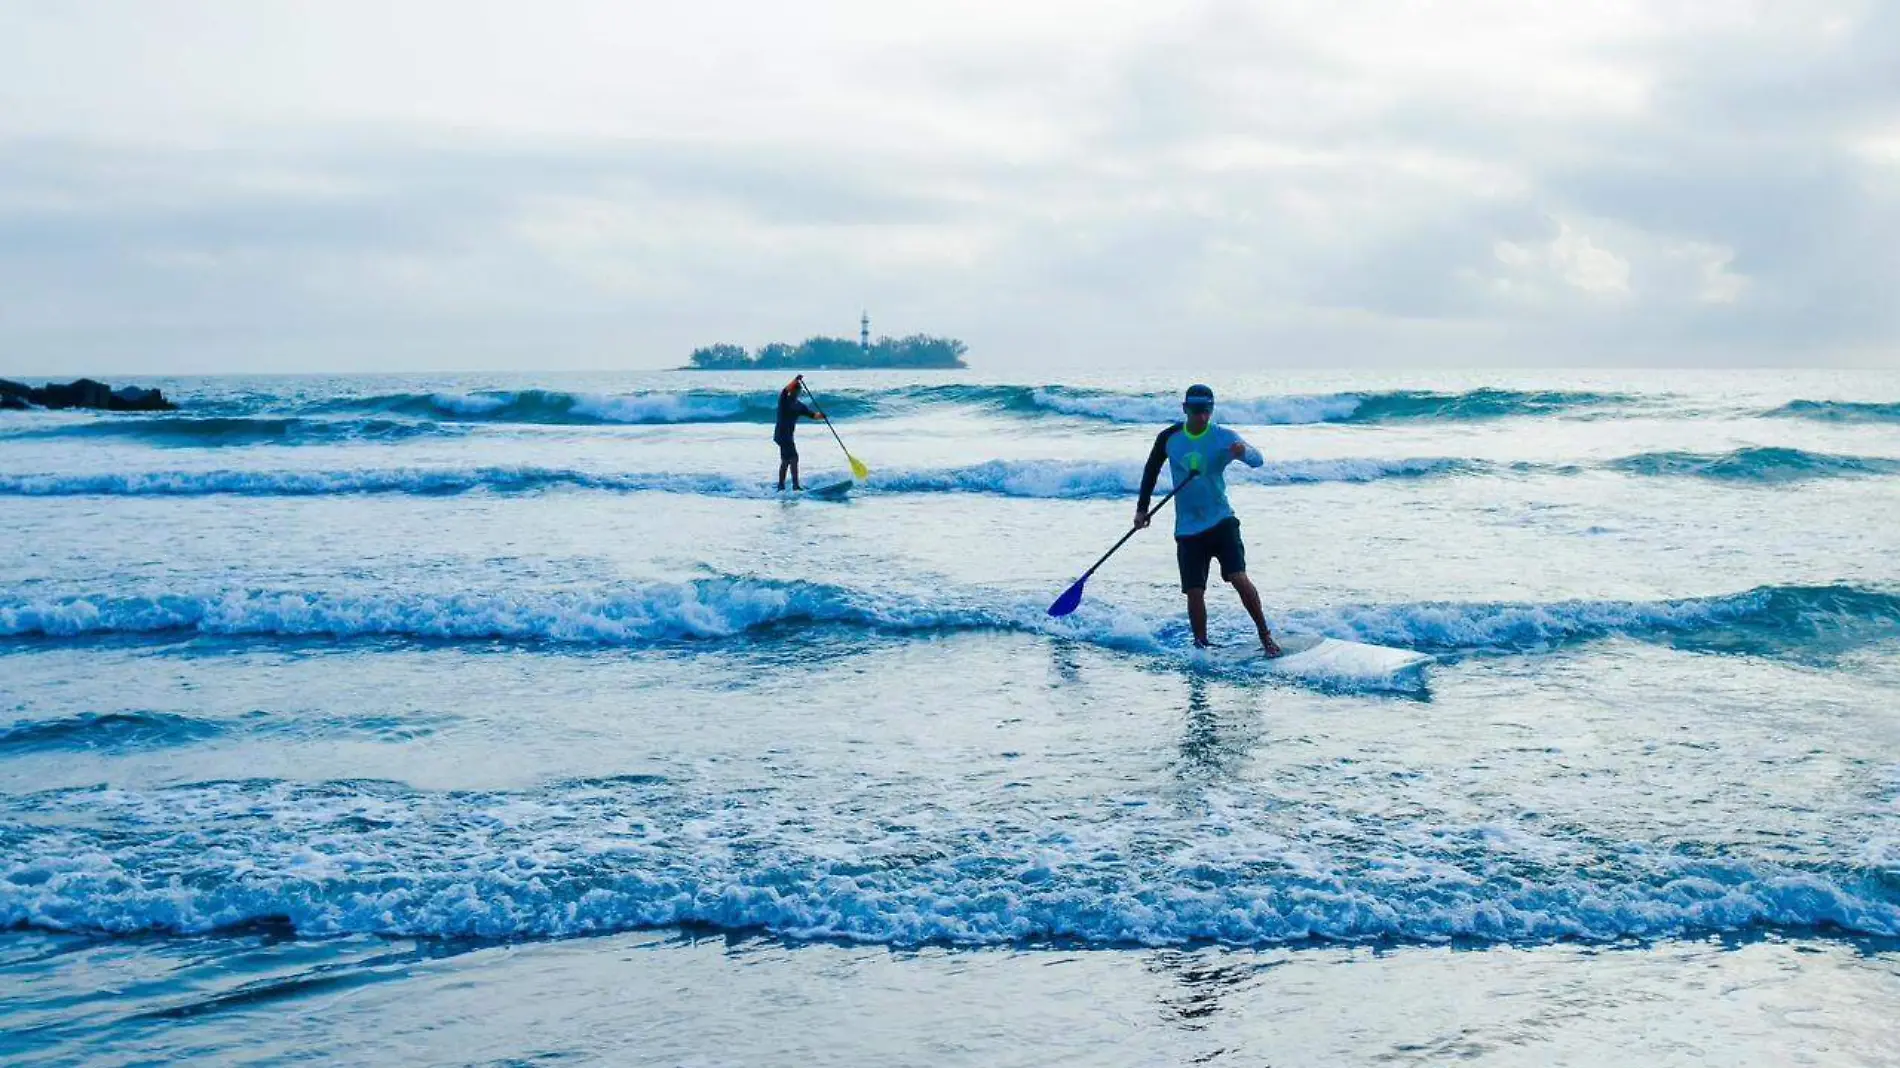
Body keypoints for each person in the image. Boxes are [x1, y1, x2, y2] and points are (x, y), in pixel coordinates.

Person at [1135, 384, 1283, 656]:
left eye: (1207, 411)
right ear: (1185, 409)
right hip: (1188, 528)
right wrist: (1142, 509)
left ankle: (1265, 635)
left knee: (1239, 578)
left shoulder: (1223, 437)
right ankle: (1201, 645)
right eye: (1196, 411)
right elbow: (1151, 469)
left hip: (1221, 521)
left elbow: (1258, 460)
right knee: (1194, 591)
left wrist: (1243, 453)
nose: (1202, 417)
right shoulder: (1170, 438)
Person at [774, 375, 825, 491]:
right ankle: (795, 486)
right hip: (781, 434)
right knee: (794, 458)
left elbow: (812, 415)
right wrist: (796, 379)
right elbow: (785, 389)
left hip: (788, 436)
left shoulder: (799, 406)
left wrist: (821, 416)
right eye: (794, 391)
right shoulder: (784, 400)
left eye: (797, 391)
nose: (796, 393)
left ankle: (781, 486)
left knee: (786, 460)